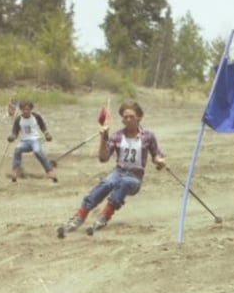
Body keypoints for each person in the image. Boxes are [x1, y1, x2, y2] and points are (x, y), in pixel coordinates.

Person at [57, 100, 166, 238]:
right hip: (118, 172)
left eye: (131, 117)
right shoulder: (117, 136)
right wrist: (104, 138)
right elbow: (103, 158)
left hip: (134, 177)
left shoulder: (148, 136)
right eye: (125, 117)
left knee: (124, 183)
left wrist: (159, 161)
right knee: (106, 183)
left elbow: (156, 154)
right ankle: (80, 216)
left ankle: (104, 215)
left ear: (139, 117)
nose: (128, 120)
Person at [6, 100, 57, 183]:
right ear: (21, 110)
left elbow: (43, 126)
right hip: (24, 141)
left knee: (37, 151)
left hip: (35, 140)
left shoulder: (36, 117)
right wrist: (11, 137)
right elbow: (15, 132)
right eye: (23, 110)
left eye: (27, 109)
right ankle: (16, 170)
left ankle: (49, 171)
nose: (26, 111)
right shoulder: (18, 119)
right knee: (17, 149)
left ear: (31, 109)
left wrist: (47, 134)